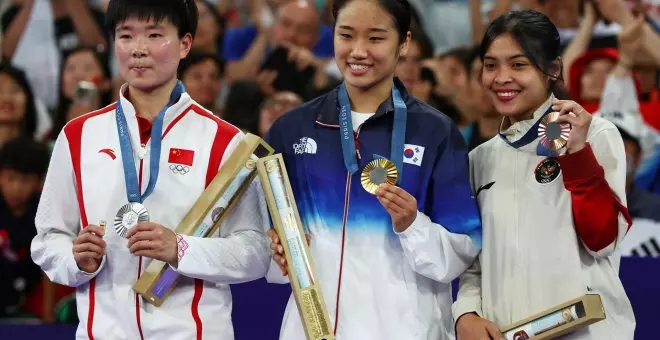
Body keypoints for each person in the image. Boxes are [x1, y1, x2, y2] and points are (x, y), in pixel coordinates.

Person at [30, 1, 271, 339]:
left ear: (185, 44)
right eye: (126, 36)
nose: (139, 50)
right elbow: (47, 240)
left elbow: (256, 251)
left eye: (155, 35)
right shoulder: (77, 136)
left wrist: (181, 249)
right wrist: (75, 258)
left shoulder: (225, 141)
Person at [265, 0, 482, 338]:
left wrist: (413, 225)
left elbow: (460, 254)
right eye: (346, 35)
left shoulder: (435, 132)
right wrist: (275, 250)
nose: (358, 51)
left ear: (404, 43)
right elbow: (260, 242)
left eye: (376, 38)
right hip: (311, 329)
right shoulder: (293, 129)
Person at [453, 10, 635, 340]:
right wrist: (465, 312)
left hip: (586, 332)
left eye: (519, 64)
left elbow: (602, 241)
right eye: (491, 65)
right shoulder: (479, 159)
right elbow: (474, 260)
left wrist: (577, 154)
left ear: (553, 69)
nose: (501, 77)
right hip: (508, 332)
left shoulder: (596, 134)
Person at [0, 137, 50, 318]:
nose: (16, 188)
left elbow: (48, 268)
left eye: (26, 180)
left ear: (39, 182)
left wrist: (48, 317)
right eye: (10, 178)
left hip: (29, 299)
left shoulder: (45, 214)